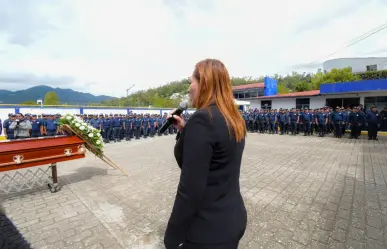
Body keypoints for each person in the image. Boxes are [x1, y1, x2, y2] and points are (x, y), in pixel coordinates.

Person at [164, 59, 247, 249]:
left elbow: (190, 189)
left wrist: (172, 236)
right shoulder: (233, 118)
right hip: (232, 217)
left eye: (191, 82)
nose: (188, 89)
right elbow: (214, 162)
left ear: (204, 83)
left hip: (208, 230)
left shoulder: (202, 119)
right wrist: (185, 130)